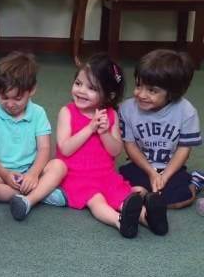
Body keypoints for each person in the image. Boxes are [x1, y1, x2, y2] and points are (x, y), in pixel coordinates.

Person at [56, 53, 165, 238]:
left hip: (105, 174)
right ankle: (119, 221)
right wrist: (90, 129)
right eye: (78, 83)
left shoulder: (111, 115)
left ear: (109, 95)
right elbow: (65, 149)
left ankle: (150, 220)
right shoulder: (67, 112)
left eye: (91, 88)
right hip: (76, 175)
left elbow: (115, 150)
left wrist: (105, 132)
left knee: (124, 197)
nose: (81, 91)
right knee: (96, 201)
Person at [0, 51, 67, 220]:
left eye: (18, 98)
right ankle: (40, 194)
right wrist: (5, 174)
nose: (10, 104)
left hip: (31, 170)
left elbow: (44, 148)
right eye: (4, 97)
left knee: (59, 166)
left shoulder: (38, 113)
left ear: (32, 90)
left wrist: (34, 174)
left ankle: (30, 198)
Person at [118, 50, 202, 215]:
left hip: (170, 167)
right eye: (138, 85)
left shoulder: (186, 111)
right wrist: (151, 172)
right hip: (140, 165)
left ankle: (196, 181)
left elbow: (183, 149)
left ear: (172, 93)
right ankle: (145, 196)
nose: (141, 94)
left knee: (179, 199)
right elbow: (130, 145)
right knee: (119, 187)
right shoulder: (126, 109)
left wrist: (164, 176)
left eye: (152, 91)